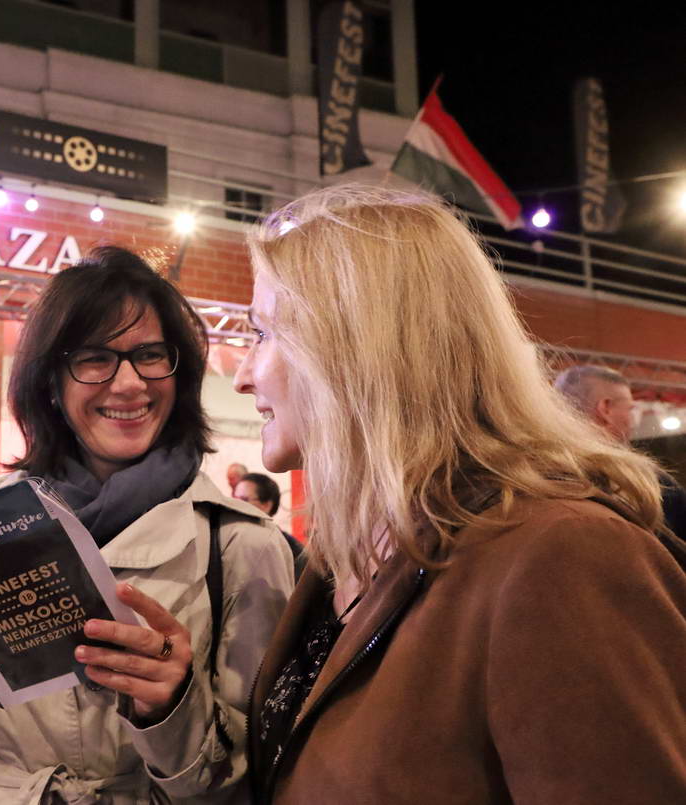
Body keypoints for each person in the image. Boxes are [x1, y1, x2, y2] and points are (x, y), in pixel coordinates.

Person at [235, 186, 686, 802]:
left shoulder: (563, 554)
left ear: (353, 350)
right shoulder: (347, 560)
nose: (242, 376)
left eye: (261, 334)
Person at [0, 246, 295, 803]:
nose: (130, 383)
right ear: (50, 381)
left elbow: (259, 773)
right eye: (95, 359)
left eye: (150, 355)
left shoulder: (240, 544)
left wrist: (172, 707)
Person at [554, 364, 686, 542]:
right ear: (605, 408)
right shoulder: (647, 482)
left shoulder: (534, 478)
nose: (632, 420)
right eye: (630, 408)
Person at [234, 472, 305, 579]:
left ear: (267, 505)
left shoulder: (291, 549)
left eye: (244, 500)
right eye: (234, 499)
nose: (235, 505)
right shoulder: (230, 538)